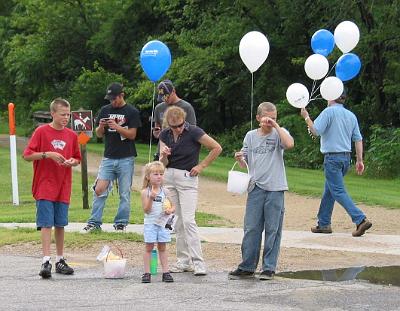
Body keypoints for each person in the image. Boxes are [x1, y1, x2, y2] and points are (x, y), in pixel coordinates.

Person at [228, 102, 294, 281]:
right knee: (251, 228)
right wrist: (240, 158)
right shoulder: (250, 136)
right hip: (256, 187)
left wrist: (276, 127)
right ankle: (247, 265)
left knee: (273, 229)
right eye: (267, 118)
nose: (270, 121)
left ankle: (268, 267)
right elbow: (246, 163)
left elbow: (289, 144)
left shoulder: (280, 133)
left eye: (274, 118)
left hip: (275, 187)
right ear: (258, 118)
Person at [159, 106, 222, 276]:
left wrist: (202, 165)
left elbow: (216, 147)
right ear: (168, 124)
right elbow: (162, 163)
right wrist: (164, 155)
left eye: (180, 125)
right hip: (169, 176)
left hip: (187, 176)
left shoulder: (193, 131)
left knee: (188, 220)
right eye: (174, 127)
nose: (178, 129)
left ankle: (198, 262)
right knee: (177, 221)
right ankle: (183, 261)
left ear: (183, 121)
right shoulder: (164, 134)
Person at [300, 89, 372, 237]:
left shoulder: (328, 112)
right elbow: (358, 139)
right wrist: (359, 160)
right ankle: (324, 224)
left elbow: (315, 131)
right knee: (330, 190)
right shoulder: (351, 115)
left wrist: (306, 117)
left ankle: (360, 219)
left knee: (337, 191)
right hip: (346, 159)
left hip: (332, 158)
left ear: (330, 97)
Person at [23, 98, 81, 279]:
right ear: (53, 114)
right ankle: (46, 260)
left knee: (60, 223)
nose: (66, 118)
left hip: (63, 185)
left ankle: (60, 259)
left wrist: (72, 161)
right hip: (45, 184)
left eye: (68, 114)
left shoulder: (72, 135)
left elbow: (77, 157)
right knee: (46, 223)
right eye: (62, 114)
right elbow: (27, 155)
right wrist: (47, 155)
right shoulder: (41, 132)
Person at [83, 82, 141, 232]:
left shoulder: (131, 111)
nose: (112, 102)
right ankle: (94, 222)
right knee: (99, 189)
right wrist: (101, 126)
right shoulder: (105, 110)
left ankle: (121, 222)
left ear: (122, 95)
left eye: (114, 98)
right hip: (108, 156)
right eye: (110, 99)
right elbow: (98, 134)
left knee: (124, 192)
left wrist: (117, 127)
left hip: (126, 157)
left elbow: (133, 135)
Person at [141, 161, 175, 283]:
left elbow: (173, 206)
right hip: (150, 223)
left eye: (161, 173)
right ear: (148, 177)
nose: (159, 176)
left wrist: (170, 210)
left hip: (163, 224)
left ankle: (166, 272)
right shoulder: (146, 192)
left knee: (162, 247)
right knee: (149, 247)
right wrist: (151, 198)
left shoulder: (165, 191)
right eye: (155, 174)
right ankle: (147, 272)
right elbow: (146, 210)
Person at [152, 79, 196, 160]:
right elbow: (157, 128)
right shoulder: (159, 108)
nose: (165, 99)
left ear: (173, 91)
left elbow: (192, 131)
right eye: (163, 97)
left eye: (167, 97)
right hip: (161, 151)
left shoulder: (187, 107)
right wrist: (156, 132)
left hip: (180, 153)